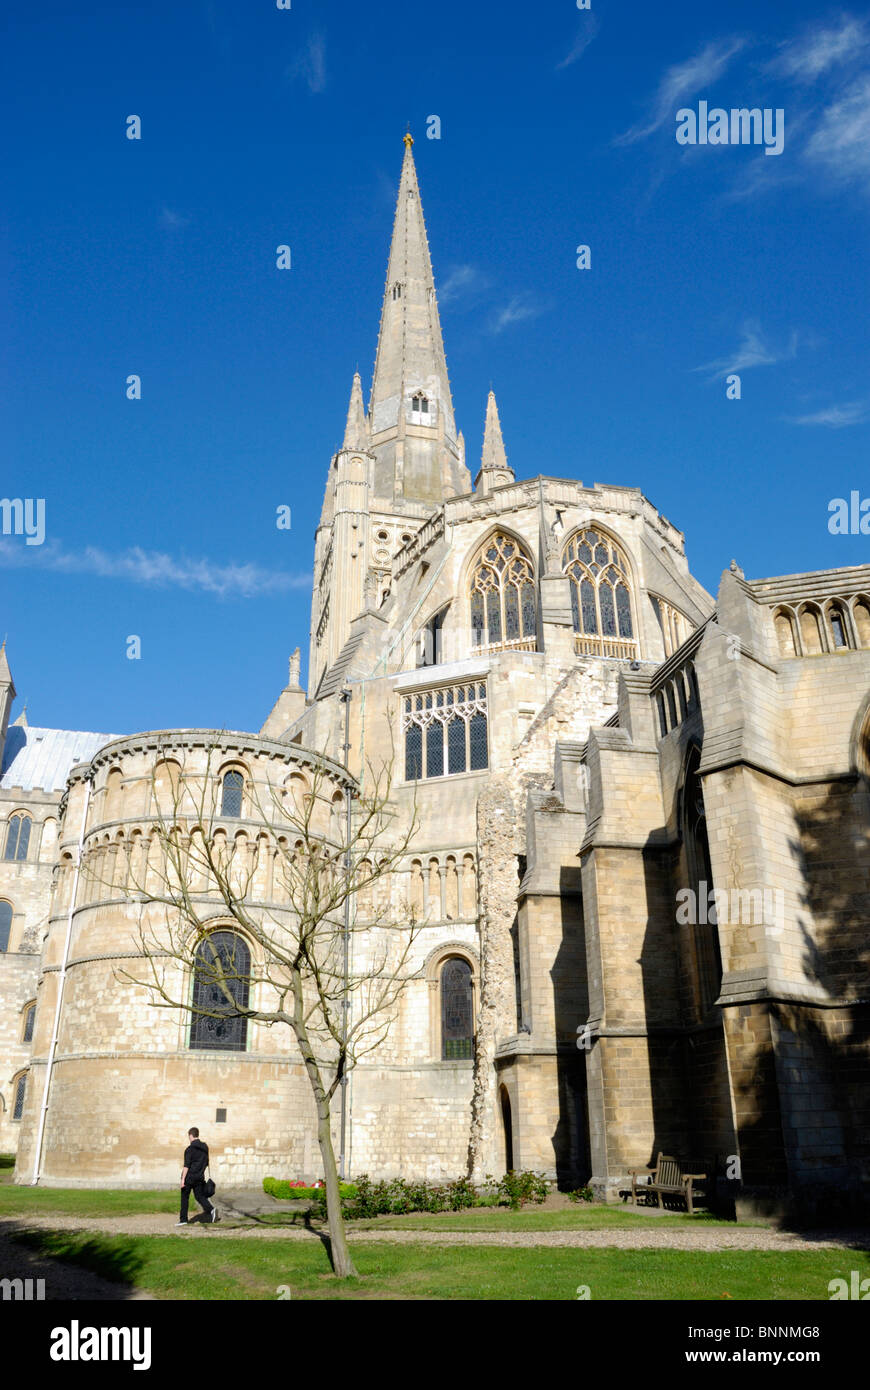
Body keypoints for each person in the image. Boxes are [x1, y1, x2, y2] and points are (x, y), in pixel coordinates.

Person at [176, 1126, 219, 1225]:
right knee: (199, 1196)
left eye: (189, 1137)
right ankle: (211, 1209)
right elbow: (206, 1162)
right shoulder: (205, 1147)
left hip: (189, 1177)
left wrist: (183, 1180)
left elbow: (186, 1166)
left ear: (190, 1135)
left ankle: (183, 1220)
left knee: (184, 1197)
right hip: (200, 1177)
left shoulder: (190, 1149)